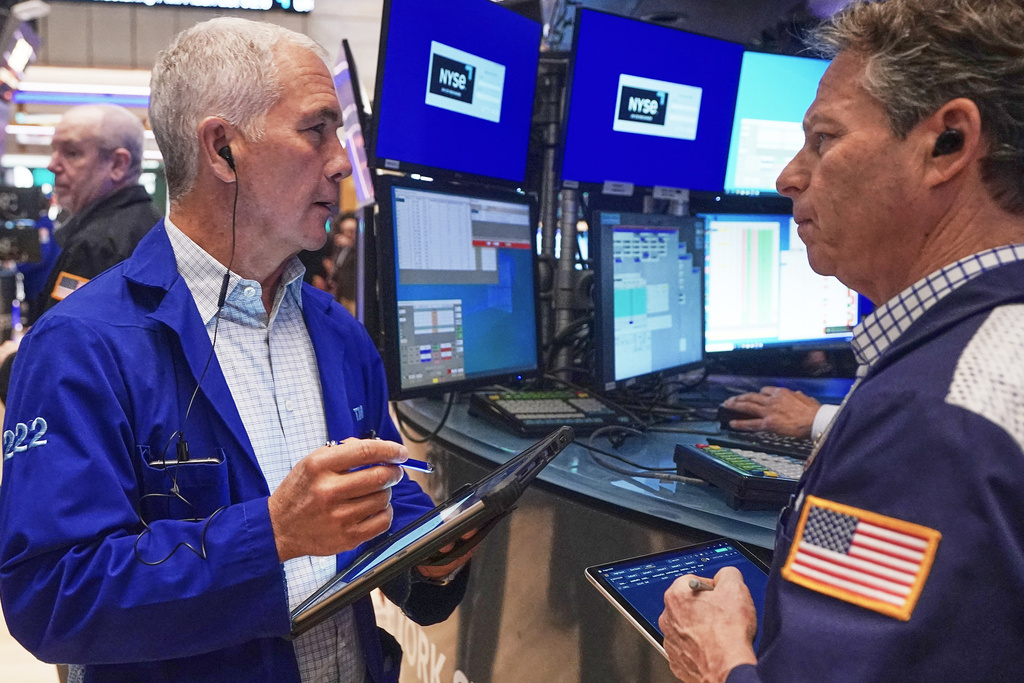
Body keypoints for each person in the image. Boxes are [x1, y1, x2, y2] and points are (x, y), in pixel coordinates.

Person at [0, 18, 472, 683]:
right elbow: (51, 594)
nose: (341, 160)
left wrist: (429, 554)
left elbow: (387, 498)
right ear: (223, 150)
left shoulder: (340, 337)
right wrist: (271, 535)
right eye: (316, 130)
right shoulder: (82, 346)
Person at [660, 1, 1024, 681]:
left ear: (947, 141)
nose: (788, 177)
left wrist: (719, 661)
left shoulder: (930, 422)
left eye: (824, 139)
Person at [34, 103, 161, 322]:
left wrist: (11, 356)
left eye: (72, 153)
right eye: (54, 150)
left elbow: (64, 339)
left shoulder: (96, 244)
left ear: (118, 164)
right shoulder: (153, 224)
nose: (52, 165)